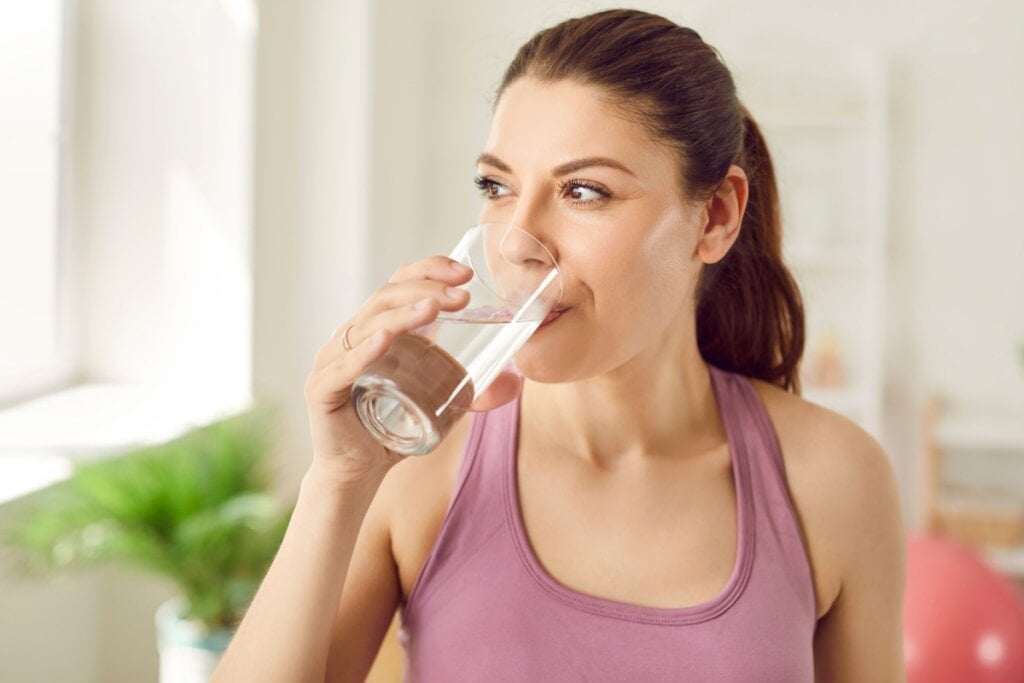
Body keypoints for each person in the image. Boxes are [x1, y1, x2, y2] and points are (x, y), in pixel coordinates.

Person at [214, 8, 905, 682]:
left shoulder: (833, 480)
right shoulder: (417, 468)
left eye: (584, 190)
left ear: (715, 217)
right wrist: (338, 481)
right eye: (497, 186)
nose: (517, 240)